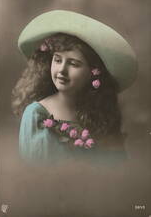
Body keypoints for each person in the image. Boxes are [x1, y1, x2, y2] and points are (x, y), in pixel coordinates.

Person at [11, 10, 137, 163]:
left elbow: (117, 167)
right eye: (57, 60)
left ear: (93, 72)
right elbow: (37, 173)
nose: (62, 70)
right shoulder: (37, 115)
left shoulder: (102, 115)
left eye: (73, 64)